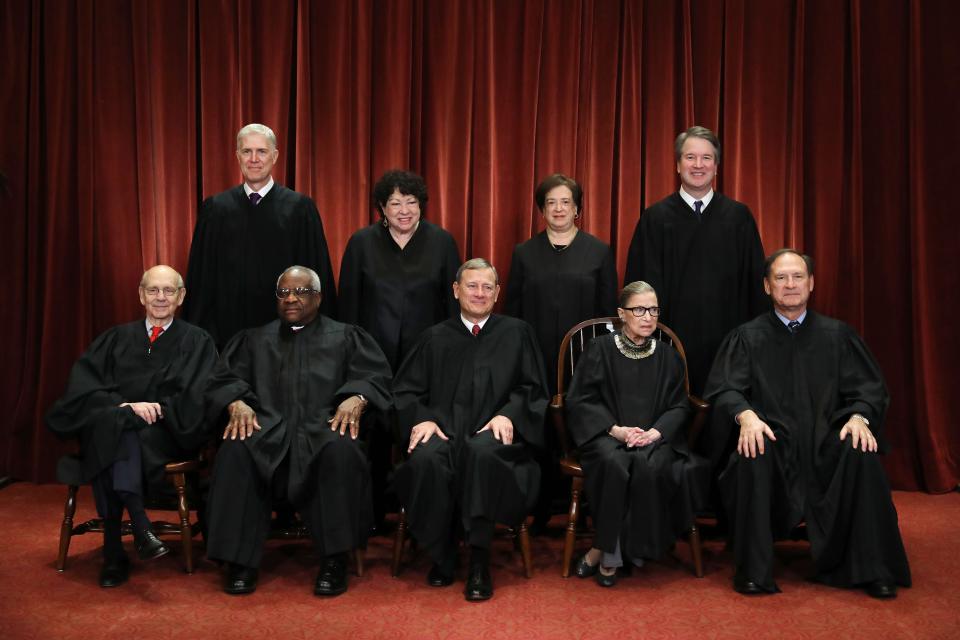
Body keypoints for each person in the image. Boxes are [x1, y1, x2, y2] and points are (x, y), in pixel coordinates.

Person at [703, 249, 911, 598]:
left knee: (860, 450)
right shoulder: (747, 337)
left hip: (827, 441)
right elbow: (725, 388)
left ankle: (872, 568)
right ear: (767, 286)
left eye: (798, 276)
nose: (790, 284)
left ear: (811, 283)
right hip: (773, 441)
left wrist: (860, 416)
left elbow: (869, 389)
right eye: (780, 278)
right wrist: (747, 416)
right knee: (752, 450)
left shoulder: (838, 336)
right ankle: (753, 571)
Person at [204, 266, 392, 597]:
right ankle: (240, 561)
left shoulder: (346, 336)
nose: (291, 298)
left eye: (301, 292)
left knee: (341, 449)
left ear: (318, 297)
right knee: (236, 449)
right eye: (284, 293)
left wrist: (357, 398)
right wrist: (235, 401)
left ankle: (335, 560)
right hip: (267, 430)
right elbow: (223, 380)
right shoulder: (253, 340)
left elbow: (375, 376)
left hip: (322, 429)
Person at [46, 265, 218, 588]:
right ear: (141, 295)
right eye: (153, 290)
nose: (161, 297)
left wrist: (150, 411)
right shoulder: (115, 338)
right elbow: (82, 390)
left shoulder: (197, 342)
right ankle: (140, 528)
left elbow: (197, 399)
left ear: (181, 297)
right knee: (116, 425)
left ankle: (115, 549)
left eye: (169, 291)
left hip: (165, 434)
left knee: (114, 431)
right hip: (116, 430)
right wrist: (124, 408)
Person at [392, 258, 549, 601]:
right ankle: (442, 554)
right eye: (472, 286)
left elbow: (534, 389)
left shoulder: (517, 333)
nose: (479, 293)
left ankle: (479, 559)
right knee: (427, 460)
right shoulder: (434, 338)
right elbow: (405, 391)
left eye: (487, 287)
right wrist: (423, 418)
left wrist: (509, 414)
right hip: (444, 432)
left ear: (497, 293)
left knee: (482, 454)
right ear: (456, 290)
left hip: (495, 438)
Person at [338, 170, 460, 527]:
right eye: (395, 203)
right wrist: (352, 356)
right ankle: (371, 511)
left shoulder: (442, 242)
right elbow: (349, 305)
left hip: (427, 357)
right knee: (371, 431)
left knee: (422, 430)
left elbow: (453, 305)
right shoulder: (361, 243)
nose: (404, 210)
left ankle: (422, 511)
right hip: (372, 355)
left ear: (421, 205)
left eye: (411, 202)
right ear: (382, 208)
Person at [565, 281, 703, 587]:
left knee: (647, 464)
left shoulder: (669, 357)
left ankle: (601, 549)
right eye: (639, 309)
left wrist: (655, 433)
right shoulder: (599, 349)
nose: (648, 317)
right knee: (615, 464)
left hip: (654, 438)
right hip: (607, 434)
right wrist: (616, 430)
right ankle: (612, 555)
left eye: (653, 309)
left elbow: (680, 407)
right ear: (621, 314)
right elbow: (580, 400)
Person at [504, 173, 618, 531]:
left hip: (584, 360)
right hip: (535, 357)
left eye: (565, 202)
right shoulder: (524, 253)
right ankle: (537, 505)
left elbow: (607, 313)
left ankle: (585, 505)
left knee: (579, 424)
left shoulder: (598, 251)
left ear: (578, 208)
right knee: (538, 427)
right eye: (550, 202)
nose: (558, 208)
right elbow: (514, 310)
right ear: (541, 209)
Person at [624, 126, 767, 397]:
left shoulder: (739, 218)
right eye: (690, 157)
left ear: (716, 166)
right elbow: (638, 287)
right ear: (678, 165)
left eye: (706, 158)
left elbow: (756, 286)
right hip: (668, 345)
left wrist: (753, 342)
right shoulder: (654, 219)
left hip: (729, 346)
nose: (698, 165)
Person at [183, 123, 337, 349]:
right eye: (247, 151)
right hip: (226, 334)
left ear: (274, 157)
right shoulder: (216, 209)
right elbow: (201, 279)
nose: (254, 158)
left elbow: (316, 275)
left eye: (262, 151)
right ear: (238, 156)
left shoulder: (299, 209)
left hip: (286, 335)